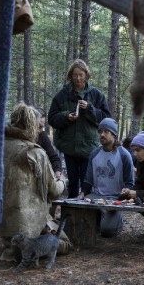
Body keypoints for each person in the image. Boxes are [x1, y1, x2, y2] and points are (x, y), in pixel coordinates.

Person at [0, 103, 72, 261]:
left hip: (5, 223)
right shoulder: (34, 152)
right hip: (31, 223)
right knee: (65, 243)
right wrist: (63, 182)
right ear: (31, 126)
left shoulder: (0, 146)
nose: (41, 131)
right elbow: (53, 190)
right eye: (38, 127)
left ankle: (13, 246)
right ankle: (31, 248)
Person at [48, 59, 111, 198]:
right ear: (70, 76)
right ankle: (70, 214)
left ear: (86, 75)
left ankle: (87, 213)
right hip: (69, 146)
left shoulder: (96, 95)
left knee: (87, 182)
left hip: (89, 146)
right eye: (75, 75)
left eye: (81, 75)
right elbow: (51, 118)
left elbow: (106, 118)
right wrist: (66, 117)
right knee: (72, 183)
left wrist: (90, 108)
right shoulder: (62, 95)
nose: (78, 78)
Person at [79, 118, 135, 237]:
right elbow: (88, 179)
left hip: (115, 198)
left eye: (106, 131)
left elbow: (130, 183)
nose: (102, 134)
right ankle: (98, 217)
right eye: (100, 132)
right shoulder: (94, 154)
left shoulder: (124, 155)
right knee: (79, 225)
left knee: (107, 232)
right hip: (96, 196)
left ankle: (117, 221)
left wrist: (125, 192)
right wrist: (83, 192)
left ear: (114, 134)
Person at [34, 107, 62, 179]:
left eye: (41, 127)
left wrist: (57, 171)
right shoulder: (20, 136)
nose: (39, 130)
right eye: (37, 126)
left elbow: (54, 157)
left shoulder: (42, 136)